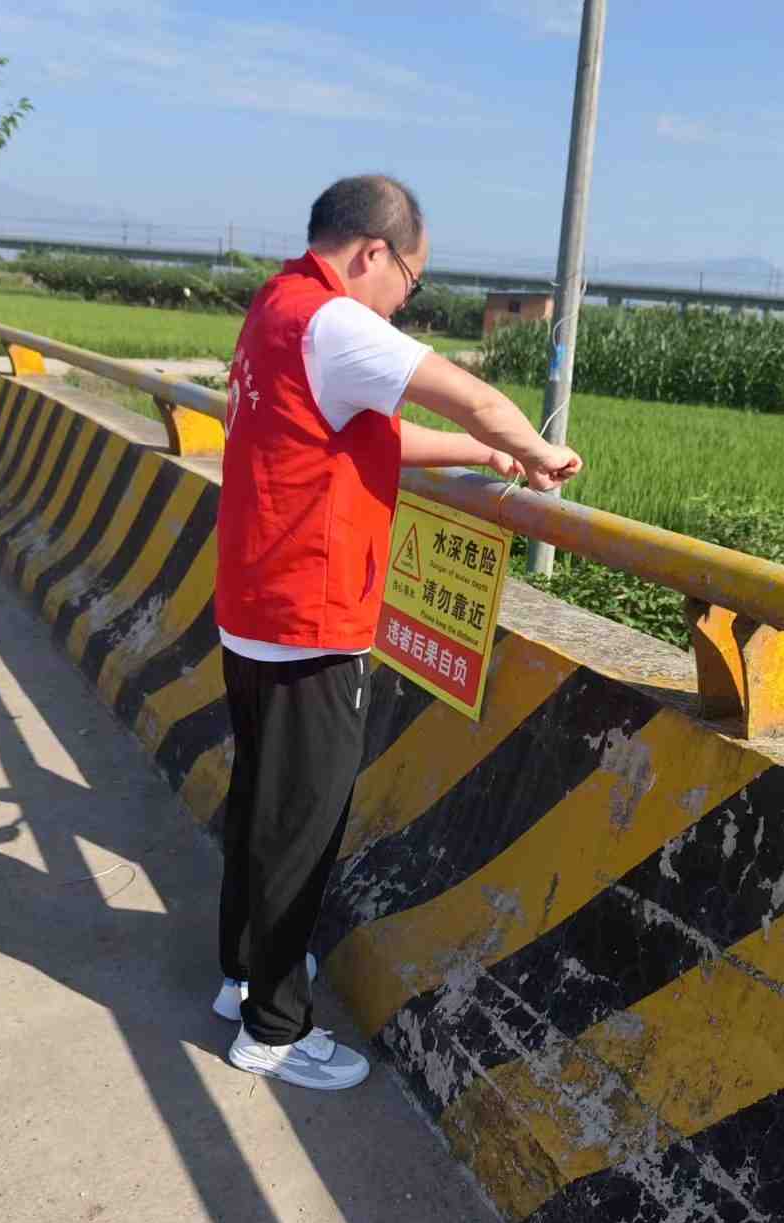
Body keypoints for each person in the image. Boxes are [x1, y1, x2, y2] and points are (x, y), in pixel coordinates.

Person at [211, 174, 582, 1090]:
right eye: (410, 282)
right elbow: (470, 393)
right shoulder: (336, 321)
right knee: (302, 827)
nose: (404, 302)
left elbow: (373, 437)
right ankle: (273, 1031)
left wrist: (487, 456)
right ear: (373, 252)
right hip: (309, 618)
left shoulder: (278, 307)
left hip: (257, 609)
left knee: (263, 805)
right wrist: (538, 449)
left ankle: (244, 976)